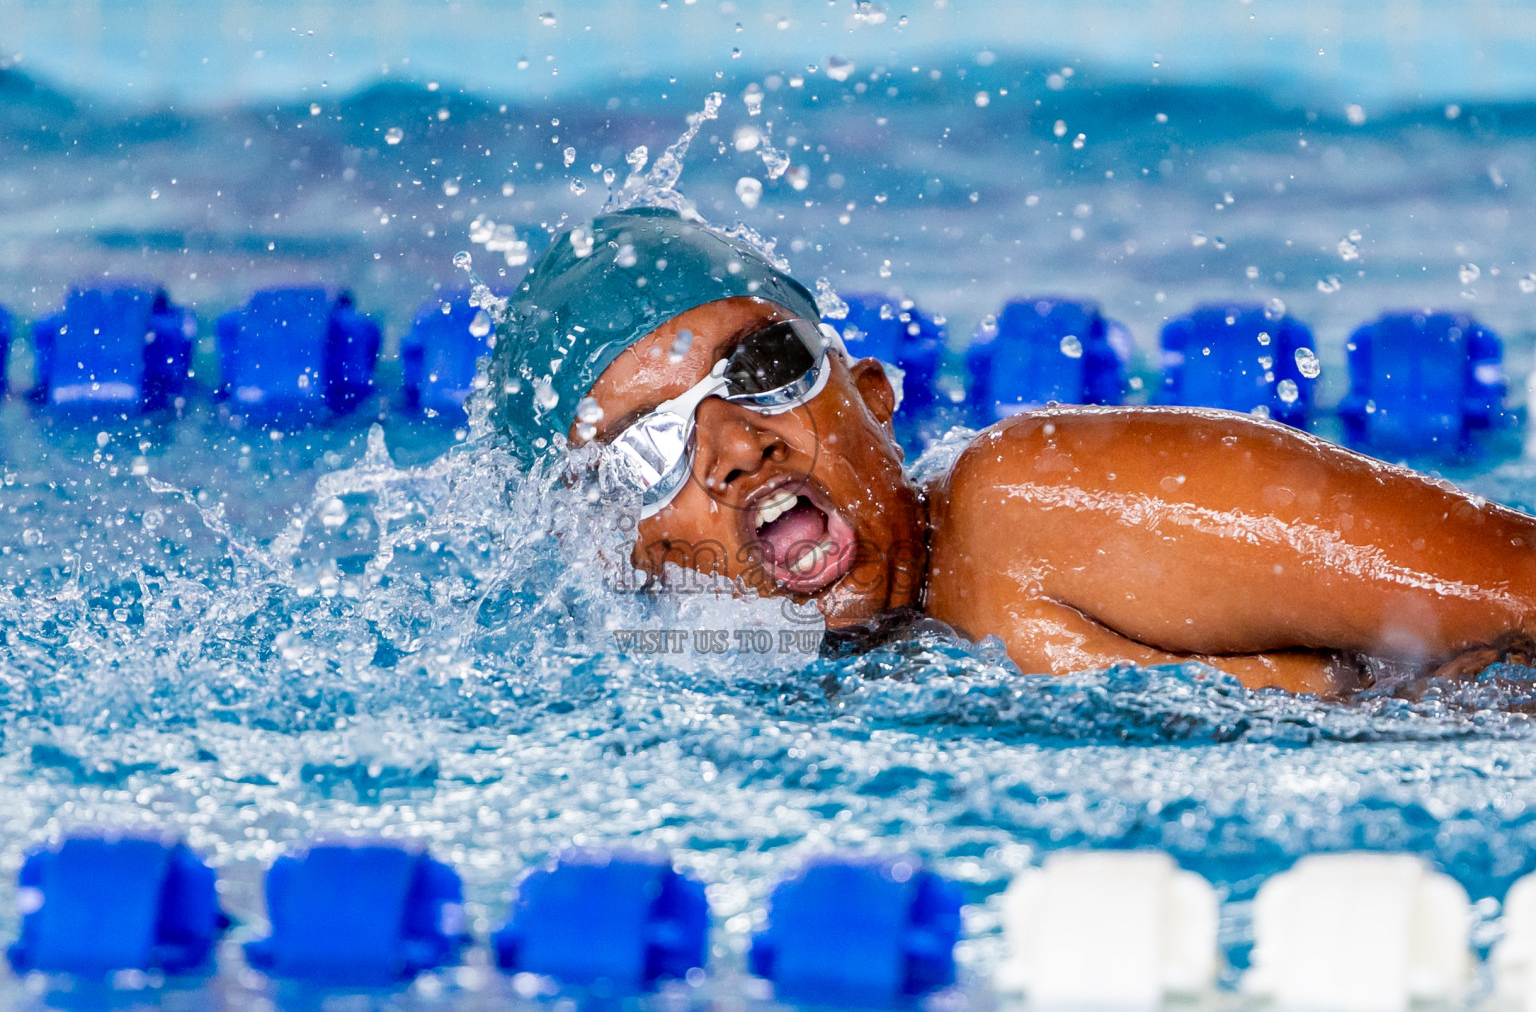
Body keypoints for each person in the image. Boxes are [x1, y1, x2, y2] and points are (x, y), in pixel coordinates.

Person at [491, 206, 1536, 695]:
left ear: (870, 397)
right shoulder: (757, 664)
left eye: (762, 365)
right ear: (641, 555)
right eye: (645, 453)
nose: (731, 445)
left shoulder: (1037, 504)